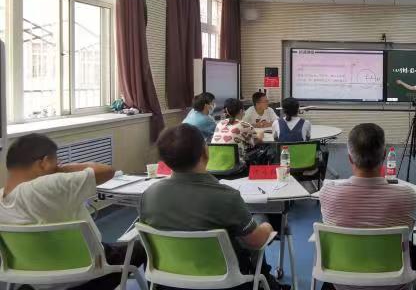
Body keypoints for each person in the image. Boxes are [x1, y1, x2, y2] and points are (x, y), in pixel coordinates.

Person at [0, 133, 146, 290]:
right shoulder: (49, 185)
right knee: (142, 247)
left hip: (35, 280)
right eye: (56, 161)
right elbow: (107, 171)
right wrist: (59, 169)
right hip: (87, 275)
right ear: (45, 162)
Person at [140, 124, 279, 287]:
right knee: (260, 218)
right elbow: (256, 242)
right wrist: (267, 227)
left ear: (164, 160)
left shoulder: (149, 195)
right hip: (225, 282)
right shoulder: (227, 197)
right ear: (205, 152)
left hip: (167, 282)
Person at [319, 123, 416, 290]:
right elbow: (409, 232)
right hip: (393, 285)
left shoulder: (328, 192)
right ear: (384, 156)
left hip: (342, 284)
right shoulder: (407, 195)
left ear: (350, 158)